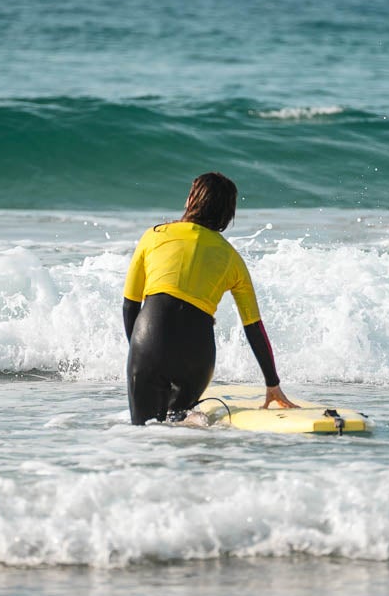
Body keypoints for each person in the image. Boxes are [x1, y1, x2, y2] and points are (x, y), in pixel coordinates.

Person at [122, 172, 298, 425]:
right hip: (197, 360)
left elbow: (130, 305)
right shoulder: (231, 258)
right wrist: (272, 384)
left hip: (149, 343)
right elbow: (254, 327)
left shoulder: (154, 235)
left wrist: (141, 354)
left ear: (191, 199)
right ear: (229, 213)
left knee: (146, 434)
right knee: (179, 430)